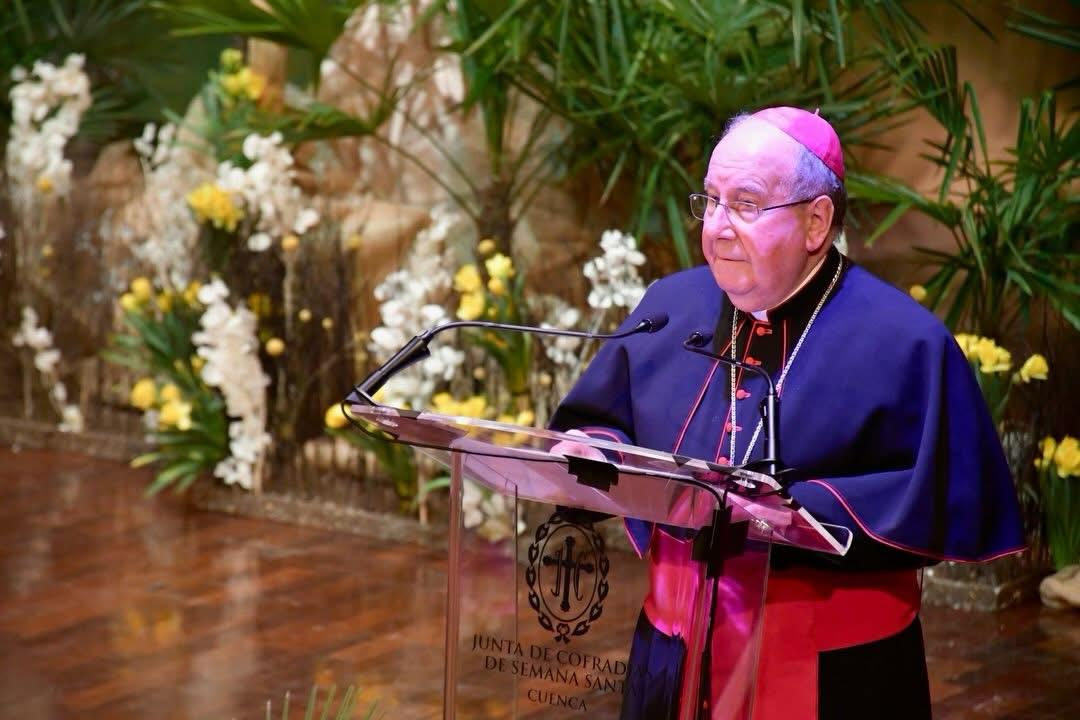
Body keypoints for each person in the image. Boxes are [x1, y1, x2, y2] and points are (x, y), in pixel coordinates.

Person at [549, 107, 1025, 719]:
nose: (718, 227)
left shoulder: (904, 341)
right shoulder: (670, 304)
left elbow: (938, 493)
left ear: (815, 222)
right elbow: (599, 419)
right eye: (711, 201)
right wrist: (596, 453)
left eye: (745, 204)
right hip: (673, 651)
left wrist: (790, 509)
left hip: (832, 672)